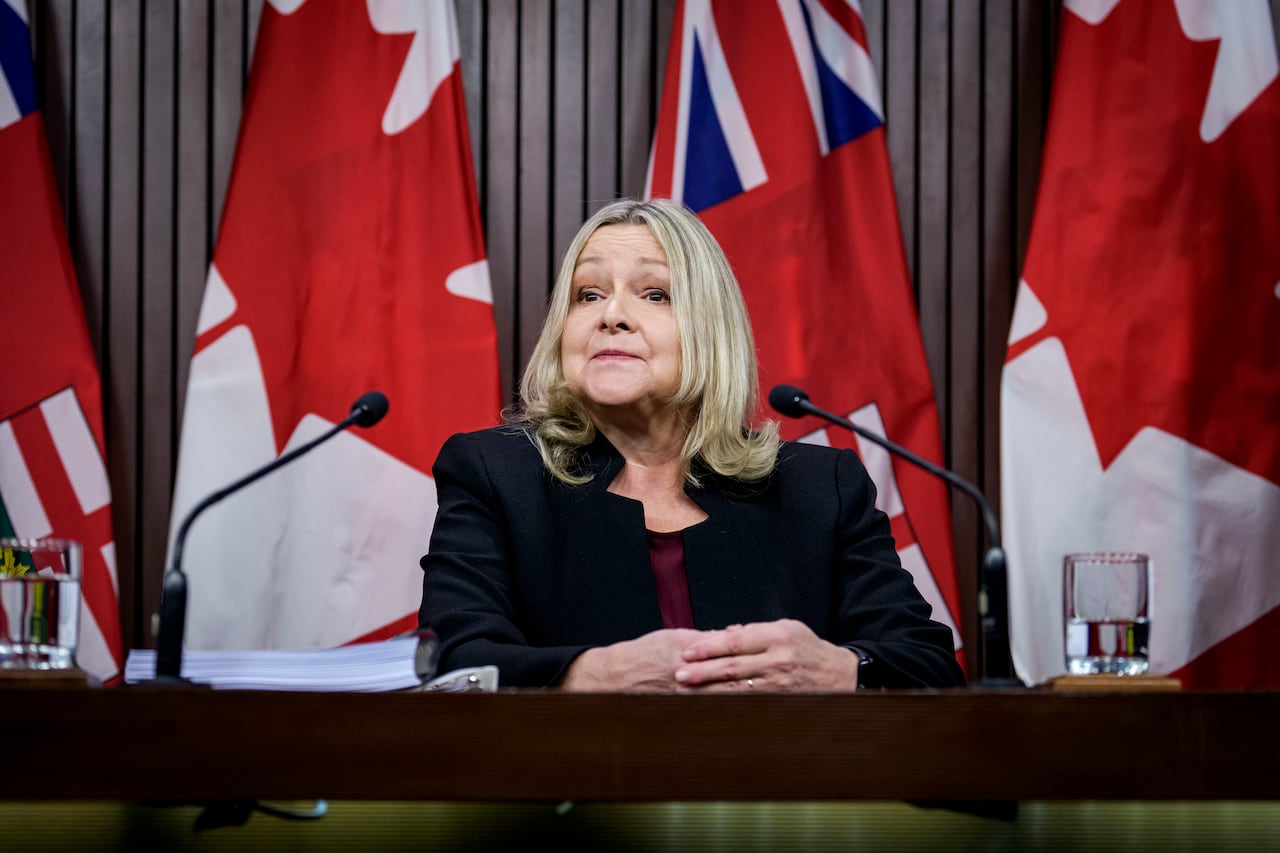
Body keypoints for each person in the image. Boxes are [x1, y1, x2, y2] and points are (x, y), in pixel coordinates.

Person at [418, 198, 964, 691]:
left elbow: (928, 664)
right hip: (577, 794)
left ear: (711, 328)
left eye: (655, 294)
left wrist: (838, 670)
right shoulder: (494, 473)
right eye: (588, 295)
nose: (611, 316)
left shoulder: (820, 487)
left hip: (780, 793)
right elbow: (453, 661)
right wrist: (591, 675)